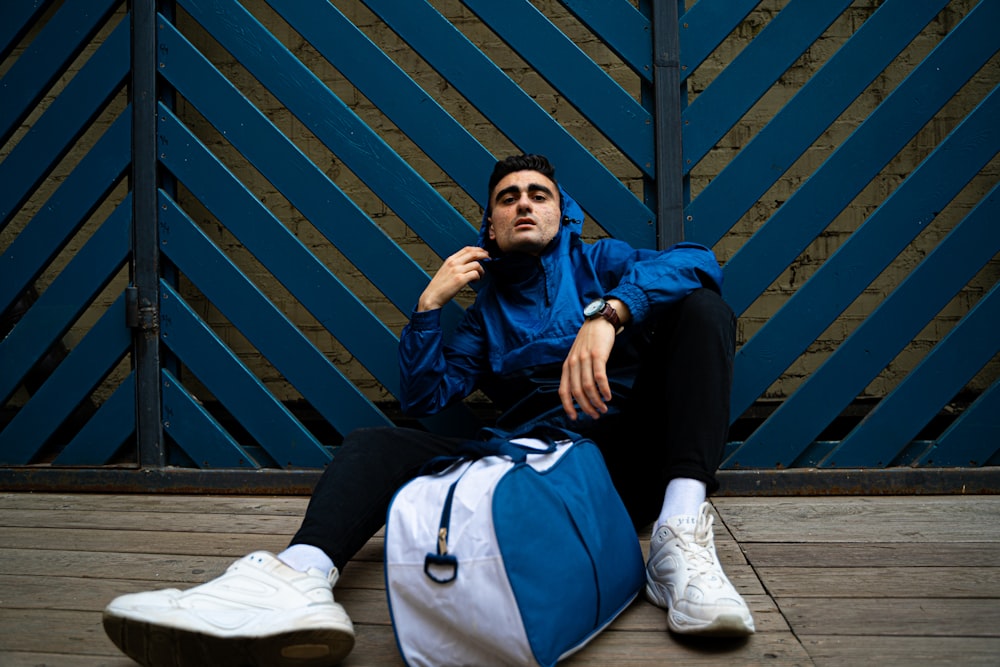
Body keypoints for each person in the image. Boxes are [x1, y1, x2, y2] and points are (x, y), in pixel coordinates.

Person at [103, 154, 753, 667]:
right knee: (374, 443)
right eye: (508, 198)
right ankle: (296, 579)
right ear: (490, 228)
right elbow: (424, 399)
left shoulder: (602, 262)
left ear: (566, 214)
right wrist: (429, 307)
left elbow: (699, 261)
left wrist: (610, 314)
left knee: (704, 309)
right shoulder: (483, 318)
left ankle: (679, 539)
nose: (523, 203)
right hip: (527, 461)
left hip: (624, 464)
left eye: (538, 194)